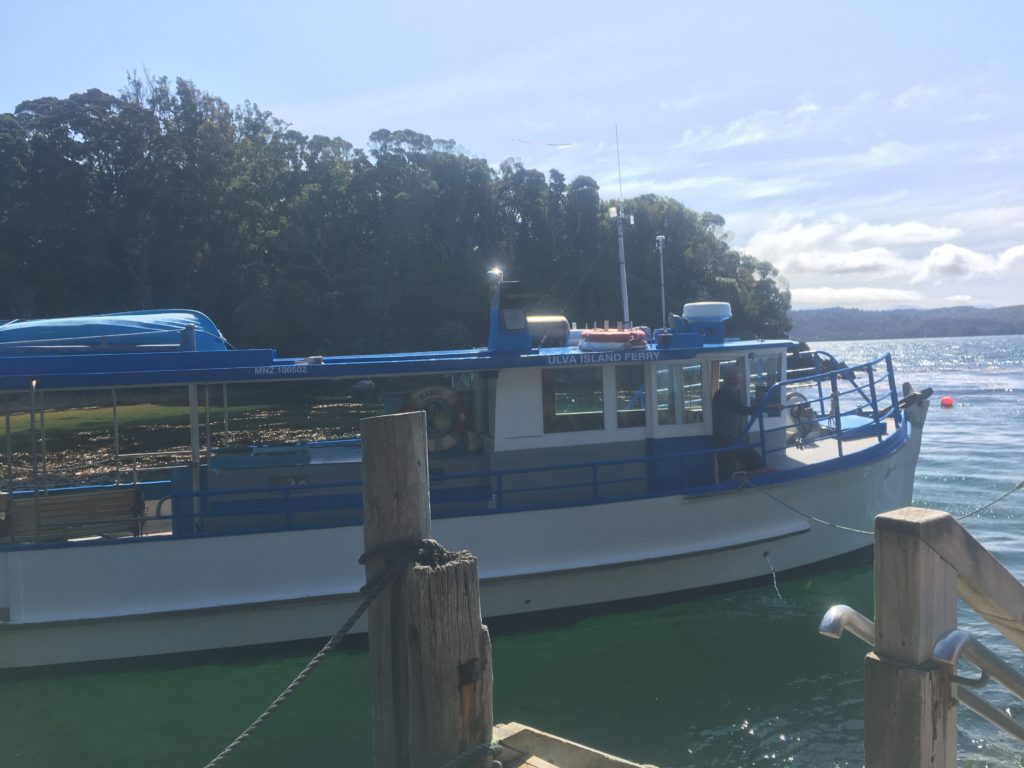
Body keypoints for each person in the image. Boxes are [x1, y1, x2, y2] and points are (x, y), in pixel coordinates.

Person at [712, 368, 779, 480]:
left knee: (755, 461)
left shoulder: (734, 394)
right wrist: (768, 408)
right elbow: (741, 409)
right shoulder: (721, 395)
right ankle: (728, 489)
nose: (736, 382)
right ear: (726, 380)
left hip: (734, 437)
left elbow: (744, 408)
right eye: (733, 379)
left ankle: (749, 481)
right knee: (726, 468)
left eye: (738, 379)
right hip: (724, 438)